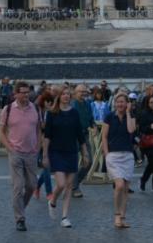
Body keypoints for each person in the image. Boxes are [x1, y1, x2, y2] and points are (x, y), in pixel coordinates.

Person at [0, 81, 41, 232]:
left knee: (31, 185)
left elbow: (39, 129)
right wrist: (9, 148)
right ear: (15, 94)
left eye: (27, 92)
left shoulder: (35, 108)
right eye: (22, 92)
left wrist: (38, 146)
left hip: (31, 153)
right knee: (18, 187)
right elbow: (1, 131)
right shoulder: (8, 109)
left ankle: (20, 208)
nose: (25, 95)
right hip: (15, 152)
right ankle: (20, 219)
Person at [43, 89, 86, 228]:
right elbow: (47, 136)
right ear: (59, 96)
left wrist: (85, 152)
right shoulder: (52, 113)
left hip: (71, 152)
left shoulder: (74, 113)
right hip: (56, 152)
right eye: (63, 93)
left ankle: (65, 216)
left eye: (68, 94)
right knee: (61, 184)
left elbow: (80, 135)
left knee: (68, 186)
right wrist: (44, 155)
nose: (66, 96)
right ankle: (53, 201)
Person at [101, 91, 137, 229]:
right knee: (120, 185)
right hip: (113, 156)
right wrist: (106, 153)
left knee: (126, 188)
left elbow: (130, 130)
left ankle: (122, 217)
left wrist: (128, 113)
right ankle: (116, 214)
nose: (120, 104)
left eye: (123, 102)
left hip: (127, 155)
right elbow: (104, 136)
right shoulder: (109, 117)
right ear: (115, 103)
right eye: (118, 102)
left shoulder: (131, 116)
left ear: (127, 103)